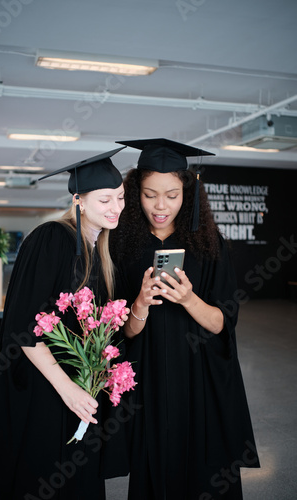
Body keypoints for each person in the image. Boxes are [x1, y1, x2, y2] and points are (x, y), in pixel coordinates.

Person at [0, 147, 129, 499]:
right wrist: (68, 390)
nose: (115, 207)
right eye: (104, 199)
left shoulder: (97, 249)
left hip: (75, 394)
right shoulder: (52, 238)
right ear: (79, 200)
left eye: (120, 197)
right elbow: (23, 327)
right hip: (45, 392)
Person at [110, 138, 260, 500]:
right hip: (148, 379)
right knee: (153, 465)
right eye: (149, 195)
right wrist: (141, 304)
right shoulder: (119, 246)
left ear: (188, 193)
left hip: (199, 379)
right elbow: (119, 331)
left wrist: (189, 299)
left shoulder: (210, 245)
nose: (161, 206)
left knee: (204, 467)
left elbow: (222, 323)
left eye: (172, 195)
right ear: (135, 193)